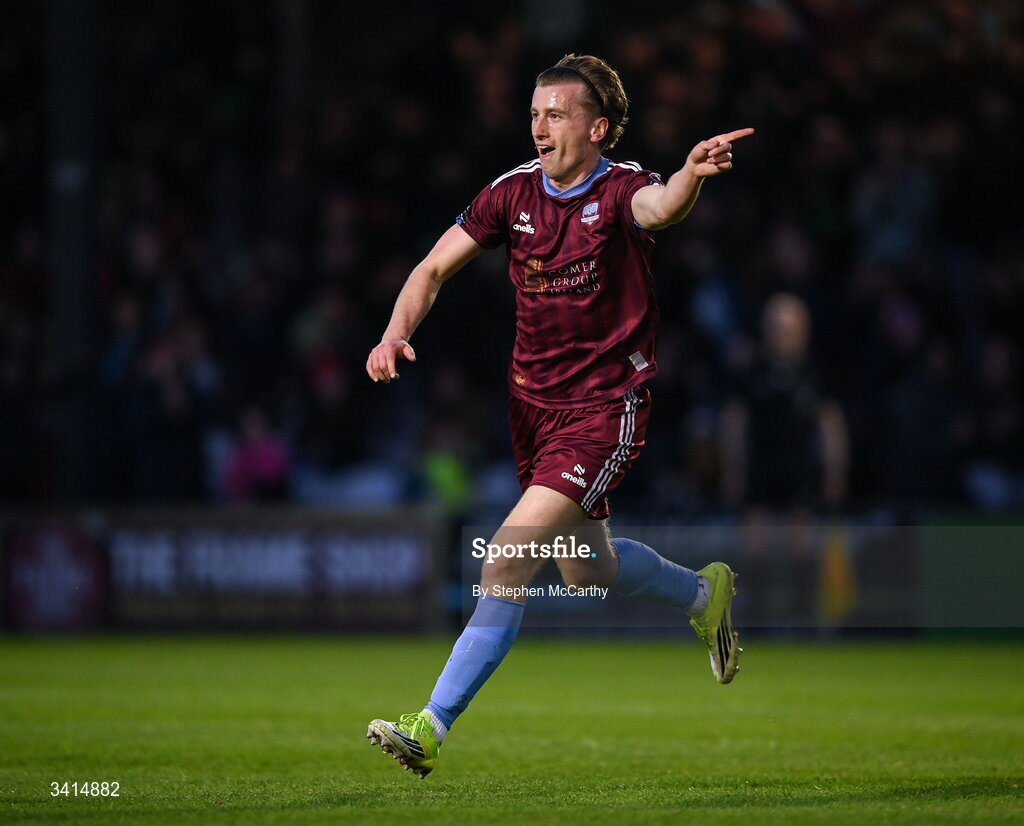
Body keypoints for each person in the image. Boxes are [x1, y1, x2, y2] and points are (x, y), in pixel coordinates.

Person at [365, 54, 754, 778]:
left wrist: (692, 174)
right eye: (535, 112)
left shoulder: (622, 190)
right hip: (532, 410)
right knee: (585, 572)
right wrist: (395, 333)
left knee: (507, 557)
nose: (539, 125)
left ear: (598, 128)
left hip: (606, 409)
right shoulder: (510, 193)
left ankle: (430, 724)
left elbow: (662, 207)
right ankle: (705, 594)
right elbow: (429, 270)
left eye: (556, 113)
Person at [719, 293, 848, 626]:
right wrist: (732, 468)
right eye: (776, 328)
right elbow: (735, 422)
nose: (782, 335)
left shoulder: (816, 374)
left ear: (804, 331)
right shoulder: (752, 374)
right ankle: (757, 617)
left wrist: (835, 472)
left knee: (801, 543)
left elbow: (830, 425)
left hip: (801, 470)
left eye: (789, 328)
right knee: (754, 543)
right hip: (761, 469)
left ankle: (802, 616)